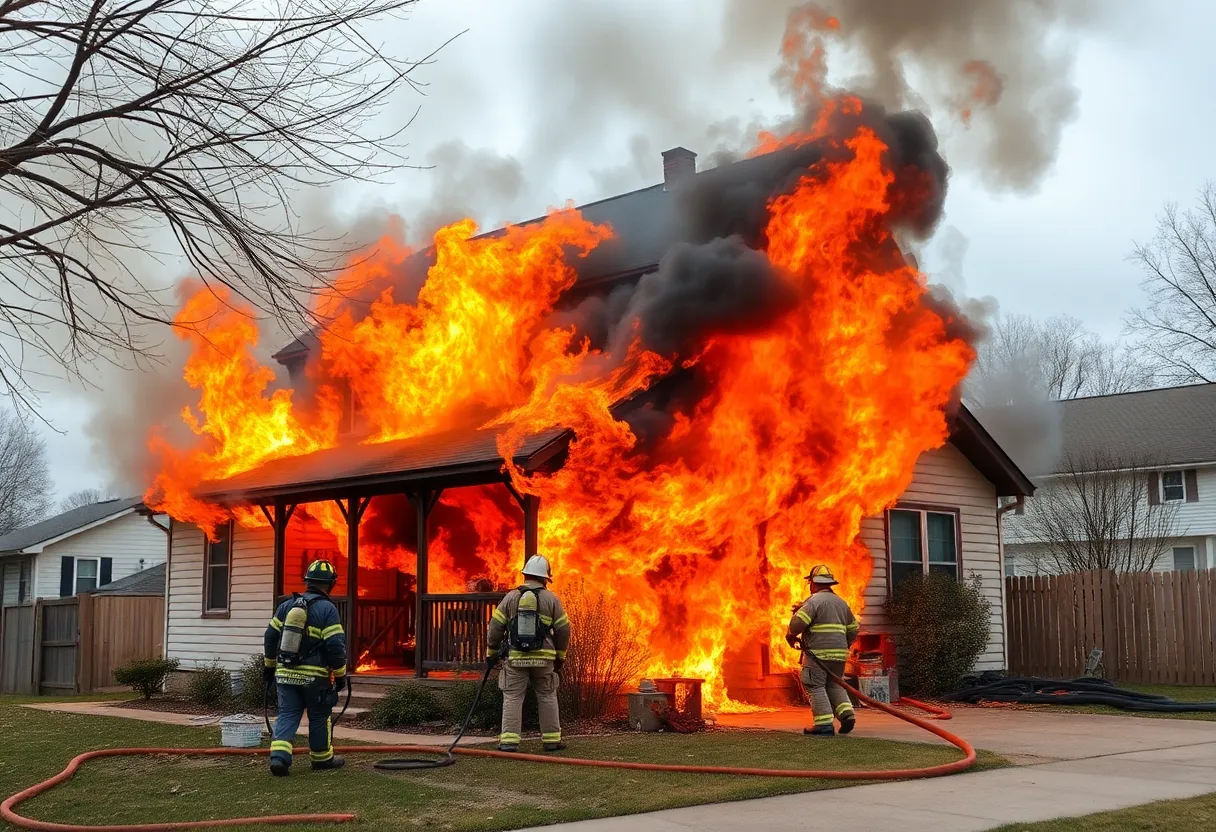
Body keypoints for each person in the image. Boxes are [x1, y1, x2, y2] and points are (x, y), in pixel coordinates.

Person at [263, 559, 348, 776]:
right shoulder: (327, 609)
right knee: (319, 715)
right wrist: (340, 674)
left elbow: (270, 636)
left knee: (287, 713)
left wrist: (269, 667)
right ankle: (321, 759)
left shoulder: (286, 606)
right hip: (315, 677)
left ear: (307, 581)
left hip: (284, 673)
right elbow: (335, 645)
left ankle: (279, 758)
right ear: (331, 584)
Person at [486, 554, 570, 753]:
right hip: (544, 660)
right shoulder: (551, 599)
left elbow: (495, 627)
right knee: (547, 695)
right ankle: (552, 740)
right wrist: (560, 656)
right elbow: (563, 630)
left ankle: (509, 742)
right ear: (544, 578)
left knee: (512, 697)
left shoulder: (511, 597)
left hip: (515, 659)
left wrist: (492, 652)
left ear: (525, 575)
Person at [786, 564, 860, 736]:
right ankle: (847, 715)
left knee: (814, 685)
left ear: (813, 583)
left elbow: (796, 625)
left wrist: (791, 630)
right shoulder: (842, 603)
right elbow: (854, 628)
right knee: (834, 684)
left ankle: (824, 724)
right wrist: (844, 644)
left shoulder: (813, 602)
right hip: (839, 655)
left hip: (817, 655)